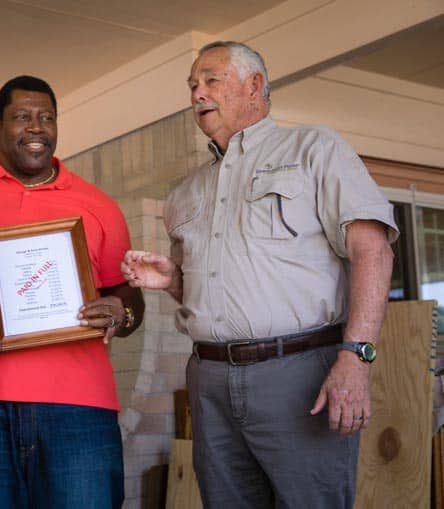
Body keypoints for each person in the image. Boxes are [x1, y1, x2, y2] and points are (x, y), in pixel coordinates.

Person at [121, 41, 398, 508]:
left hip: (299, 373)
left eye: (211, 80)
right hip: (208, 379)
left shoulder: (315, 148)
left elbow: (372, 251)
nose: (197, 94)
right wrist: (171, 281)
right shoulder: (186, 192)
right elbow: (216, 294)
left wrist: (355, 357)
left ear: (254, 86)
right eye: (192, 85)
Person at [0, 75, 145, 508]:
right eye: (22, 117)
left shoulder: (98, 205)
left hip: (78, 406)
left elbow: (129, 296)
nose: (36, 128)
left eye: (47, 117)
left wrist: (122, 314)